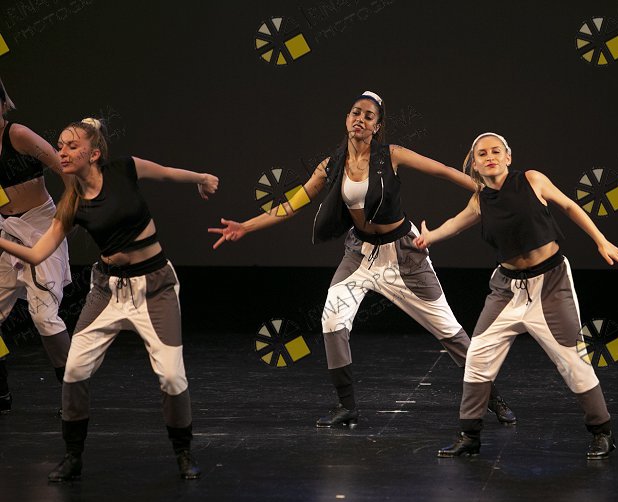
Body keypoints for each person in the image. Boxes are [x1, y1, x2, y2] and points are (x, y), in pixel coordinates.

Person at [209, 90, 516, 428]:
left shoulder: (391, 155)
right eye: (356, 113)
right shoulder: (331, 165)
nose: (361, 119)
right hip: (360, 254)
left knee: (449, 330)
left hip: (403, 254)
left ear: (376, 126)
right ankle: (346, 406)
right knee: (332, 320)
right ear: (347, 119)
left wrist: (487, 190)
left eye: (369, 116)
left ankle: (493, 398)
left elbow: (442, 170)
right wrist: (245, 226)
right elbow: (292, 205)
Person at [0, 118, 219, 481]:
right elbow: (37, 254)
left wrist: (201, 178)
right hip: (107, 290)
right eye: (60, 146)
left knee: (171, 376)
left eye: (72, 146)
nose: (62, 152)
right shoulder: (71, 203)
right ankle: (73, 456)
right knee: (74, 371)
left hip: (155, 287)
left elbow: (164, 172)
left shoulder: (123, 169)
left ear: (94, 153)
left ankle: (183, 452)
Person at [414, 132, 618, 459]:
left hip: (550, 283)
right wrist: (430, 237)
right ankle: (469, 435)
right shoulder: (480, 200)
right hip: (507, 289)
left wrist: (602, 241)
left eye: (496, 151)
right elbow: (455, 224)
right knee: (478, 357)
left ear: (508, 157)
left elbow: (569, 205)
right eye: (482, 154)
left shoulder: (532, 180)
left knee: (572, 359)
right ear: (474, 165)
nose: (490, 157)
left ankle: (602, 431)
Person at [0, 76, 74, 415]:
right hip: (6, 230)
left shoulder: (17, 134)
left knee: (44, 316)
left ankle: (74, 394)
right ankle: (1, 391)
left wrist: (68, 212)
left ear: (3, 104)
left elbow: (64, 167)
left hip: (41, 224)